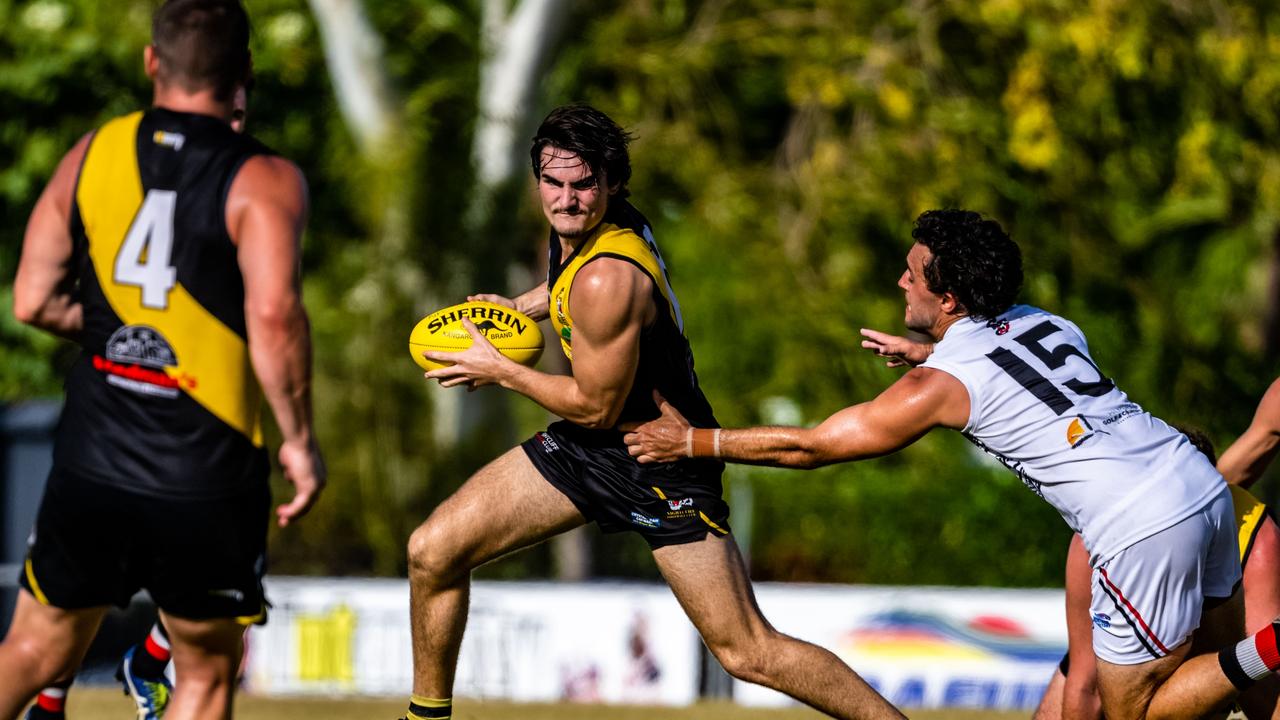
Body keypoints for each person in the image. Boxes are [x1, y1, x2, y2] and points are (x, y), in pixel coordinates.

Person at [623, 208, 1280, 720]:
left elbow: (813, 446)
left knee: (1134, 709)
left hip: (1140, 526)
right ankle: (1265, 651)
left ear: (950, 300)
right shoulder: (1050, 323)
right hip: (1199, 481)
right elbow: (1016, 371)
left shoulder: (941, 387)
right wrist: (929, 358)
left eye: (913, 272)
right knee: (1226, 668)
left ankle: (1275, 642)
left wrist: (691, 443)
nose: (901, 280)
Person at [407, 104, 904, 720]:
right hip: (594, 449)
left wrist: (500, 367)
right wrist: (517, 309)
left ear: (612, 183)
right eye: (553, 182)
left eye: (583, 184)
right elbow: (565, 294)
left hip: (661, 457)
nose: (566, 199)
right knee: (433, 550)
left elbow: (593, 404)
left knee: (747, 652)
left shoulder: (608, 278)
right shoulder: (591, 236)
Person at [0, 1, 325, 719]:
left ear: (152, 61)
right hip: (203, 472)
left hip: (93, 459)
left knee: (30, 653)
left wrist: (128, 339)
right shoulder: (264, 179)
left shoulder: (92, 152)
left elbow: (30, 299)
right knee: (205, 675)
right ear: (243, 72)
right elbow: (274, 317)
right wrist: (299, 444)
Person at [24, 72, 255, 720]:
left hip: (209, 431)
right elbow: (42, 293)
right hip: (118, 417)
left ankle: (146, 664)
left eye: (241, 116)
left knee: (223, 619)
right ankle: (56, 699)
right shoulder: (124, 165)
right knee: (63, 612)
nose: (229, 127)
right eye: (223, 112)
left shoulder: (249, 184)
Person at [1034, 423, 1280, 720]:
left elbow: (1264, 691)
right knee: (1076, 686)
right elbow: (1084, 683)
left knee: (1240, 673)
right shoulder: (1096, 530)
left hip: (1215, 640)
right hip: (1136, 630)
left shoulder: (1257, 539)